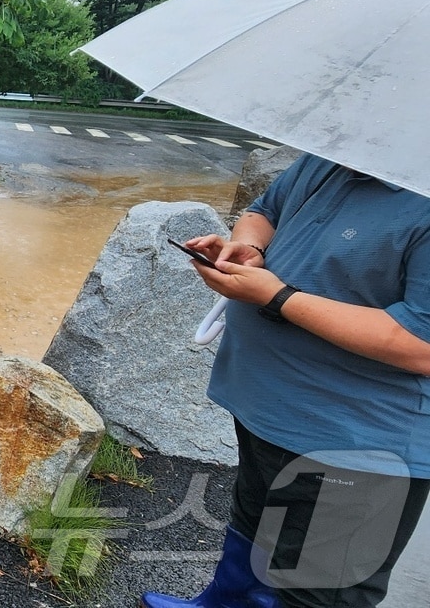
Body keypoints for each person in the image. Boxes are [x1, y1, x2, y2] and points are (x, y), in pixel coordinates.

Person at [144, 152, 430, 608]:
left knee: (318, 588)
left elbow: (421, 343)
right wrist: (250, 249)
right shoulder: (334, 159)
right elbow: (265, 210)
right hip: (267, 405)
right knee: (253, 525)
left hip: (358, 442)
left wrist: (277, 296)